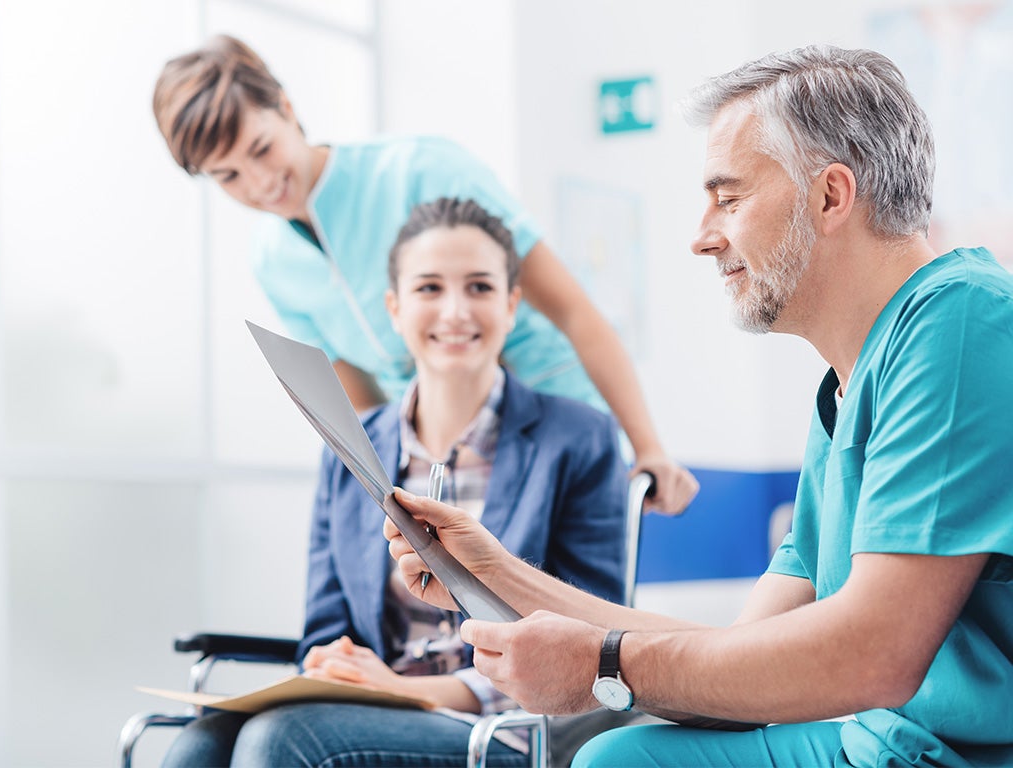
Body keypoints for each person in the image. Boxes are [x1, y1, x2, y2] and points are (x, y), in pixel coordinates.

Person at [385, 45, 1013, 767]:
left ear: (831, 196)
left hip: (960, 754)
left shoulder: (961, 323)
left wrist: (604, 665)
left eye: (729, 197)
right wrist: (491, 572)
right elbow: (739, 659)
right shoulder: (847, 386)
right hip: (876, 740)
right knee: (619, 759)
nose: (701, 236)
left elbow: (875, 656)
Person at [161, 197, 645, 767]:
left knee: (280, 742)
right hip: (372, 707)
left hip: (506, 727)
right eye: (429, 288)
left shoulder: (577, 438)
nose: (456, 311)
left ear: (513, 305)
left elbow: (588, 637)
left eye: (481, 288)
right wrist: (333, 663)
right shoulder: (350, 441)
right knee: (199, 746)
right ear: (393, 307)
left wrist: (405, 689)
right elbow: (327, 626)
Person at [152, 34, 698, 514]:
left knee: (567, 619)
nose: (261, 183)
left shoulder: (421, 171)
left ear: (288, 108)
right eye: (228, 176)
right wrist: (392, 497)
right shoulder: (273, 261)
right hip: (443, 459)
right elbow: (360, 403)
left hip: (553, 419)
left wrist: (647, 445)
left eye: (262, 149)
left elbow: (575, 312)